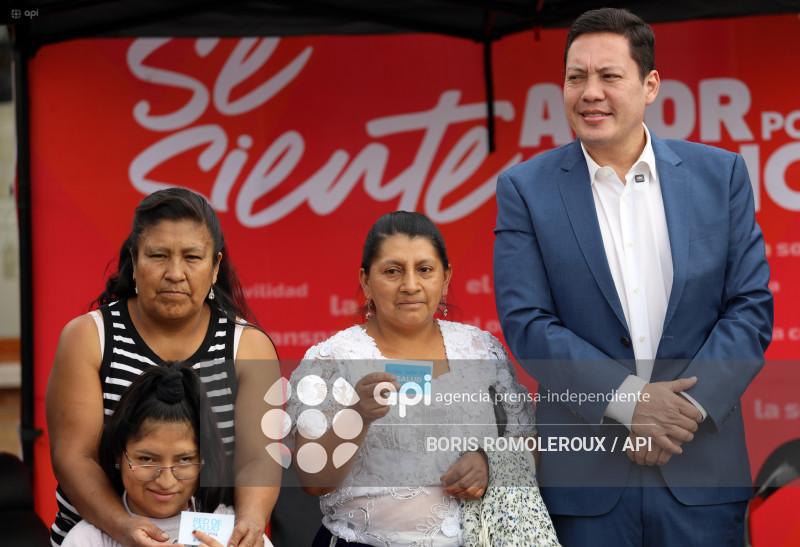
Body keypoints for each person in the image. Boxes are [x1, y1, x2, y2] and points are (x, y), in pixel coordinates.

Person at [493, 7, 773, 547]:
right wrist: (629, 403)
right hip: (585, 482)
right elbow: (528, 322)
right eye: (576, 77)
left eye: (609, 76)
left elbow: (749, 307)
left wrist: (680, 413)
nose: (589, 92)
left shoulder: (721, 175)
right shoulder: (525, 189)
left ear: (650, 86)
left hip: (702, 470)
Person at [286, 211, 557, 547]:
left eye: (425, 270)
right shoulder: (331, 360)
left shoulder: (481, 348)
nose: (410, 284)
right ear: (365, 281)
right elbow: (314, 481)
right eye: (392, 271)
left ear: (445, 280)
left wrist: (491, 463)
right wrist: (357, 416)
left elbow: (529, 443)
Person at [47, 188, 281, 547]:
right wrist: (122, 527)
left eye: (192, 257)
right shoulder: (88, 338)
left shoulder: (248, 346)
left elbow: (257, 458)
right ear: (134, 260)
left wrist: (250, 521)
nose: (175, 273)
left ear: (215, 266)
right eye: (158, 255)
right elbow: (74, 456)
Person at [63, 362, 272, 547]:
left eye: (184, 460)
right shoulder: (87, 540)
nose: (166, 481)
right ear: (119, 454)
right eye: (147, 460)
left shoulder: (235, 534)